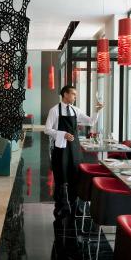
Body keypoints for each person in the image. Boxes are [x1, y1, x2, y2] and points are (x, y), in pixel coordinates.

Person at [44, 85, 103, 217]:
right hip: (60, 149)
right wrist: (62, 134)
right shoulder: (54, 110)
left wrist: (97, 111)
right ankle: (59, 205)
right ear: (65, 94)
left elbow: (91, 122)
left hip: (75, 149)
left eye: (75, 94)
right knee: (60, 177)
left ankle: (73, 204)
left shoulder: (75, 110)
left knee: (75, 176)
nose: (75, 97)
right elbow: (47, 130)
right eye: (73, 94)